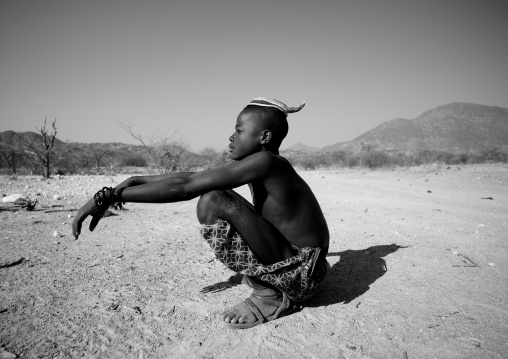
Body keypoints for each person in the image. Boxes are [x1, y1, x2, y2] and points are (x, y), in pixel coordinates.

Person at [72, 97, 330, 329]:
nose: (231, 137)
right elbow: (192, 177)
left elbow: (185, 187)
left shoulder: (266, 162)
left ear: (264, 137)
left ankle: (270, 295)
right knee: (215, 194)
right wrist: (134, 180)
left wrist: (109, 198)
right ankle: (269, 282)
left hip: (301, 276)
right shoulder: (265, 163)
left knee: (213, 201)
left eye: (239, 130)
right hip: (306, 267)